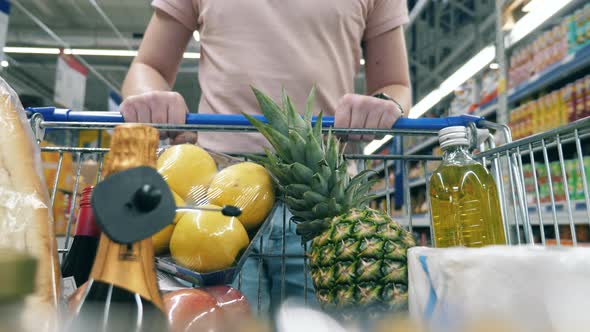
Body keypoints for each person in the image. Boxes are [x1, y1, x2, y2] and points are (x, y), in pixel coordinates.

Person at [120, 0, 412, 316]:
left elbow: (394, 83)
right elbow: (148, 66)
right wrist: (147, 96)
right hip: (216, 196)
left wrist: (384, 102)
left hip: (324, 201)